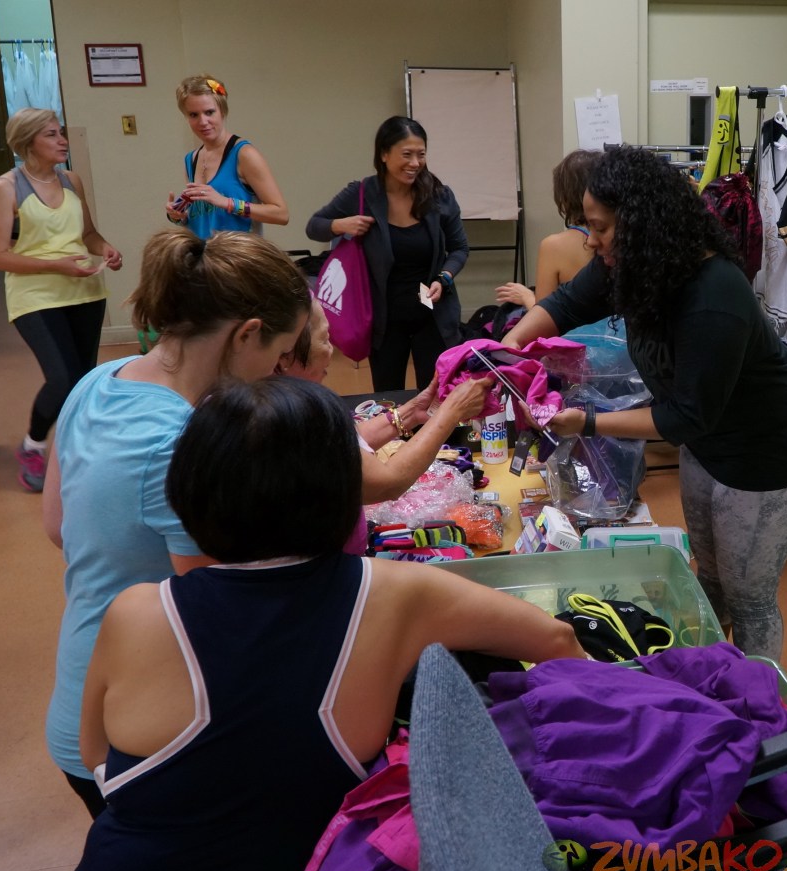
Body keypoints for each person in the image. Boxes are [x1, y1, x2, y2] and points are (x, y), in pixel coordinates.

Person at [69, 375, 583, 871]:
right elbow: (558, 642)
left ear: (189, 487)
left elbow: (93, 754)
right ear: (343, 488)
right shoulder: (393, 593)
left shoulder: (137, 612)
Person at [502, 146, 787, 662]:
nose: (590, 240)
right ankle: (705, 676)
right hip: (709, 433)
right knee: (710, 575)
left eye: (600, 227)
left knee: (749, 599)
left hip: (773, 442)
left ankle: (756, 704)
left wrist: (585, 422)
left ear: (640, 225)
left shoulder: (713, 296)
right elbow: (565, 303)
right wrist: (507, 349)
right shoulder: (630, 262)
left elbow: (683, 417)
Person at [41, 229, 311, 819]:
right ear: (246, 334)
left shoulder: (97, 382)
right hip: (138, 726)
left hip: (81, 695)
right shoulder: (183, 441)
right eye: (280, 351)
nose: (278, 369)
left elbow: (58, 526)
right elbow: (213, 606)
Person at [0, 108, 122, 492]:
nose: (63, 141)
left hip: (84, 291)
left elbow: (88, 234)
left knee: (82, 380)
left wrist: (105, 248)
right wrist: (56, 265)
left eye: (61, 133)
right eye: (52, 135)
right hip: (36, 296)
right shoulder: (5, 188)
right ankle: (33, 444)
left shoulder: (71, 180)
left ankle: (75, 452)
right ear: (28, 142)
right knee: (62, 377)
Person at [277, 299, 493, 507]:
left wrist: (411, 413)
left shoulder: (291, 401)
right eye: (324, 340)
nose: (331, 350)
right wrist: (452, 411)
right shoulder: (289, 418)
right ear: (285, 355)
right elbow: (385, 484)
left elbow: (346, 443)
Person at [306, 115, 468, 392]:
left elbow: (459, 248)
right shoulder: (362, 193)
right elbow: (314, 226)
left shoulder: (439, 195)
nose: (415, 163)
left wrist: (444, 277)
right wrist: (341, 225)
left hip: (433, 314)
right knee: (388, 396)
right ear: (384, 154)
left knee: (435, 395)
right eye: (406, 154)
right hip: (383, 318)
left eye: (421, 154)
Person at [166, 74, 288, 238]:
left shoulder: (244, 154)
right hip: (201, 254)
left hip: (238, 253)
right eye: (194, 115)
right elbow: (204, 218)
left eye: (209, 112)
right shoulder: (191, 159)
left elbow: (281, 214)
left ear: (222, 111)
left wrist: (226, 202)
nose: (203, 121)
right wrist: (177, 215)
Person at [495, 149, 599, 310]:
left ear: (564, 195)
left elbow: (544, 315)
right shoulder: (623, 236)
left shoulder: (554, 246)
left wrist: (527, 296)